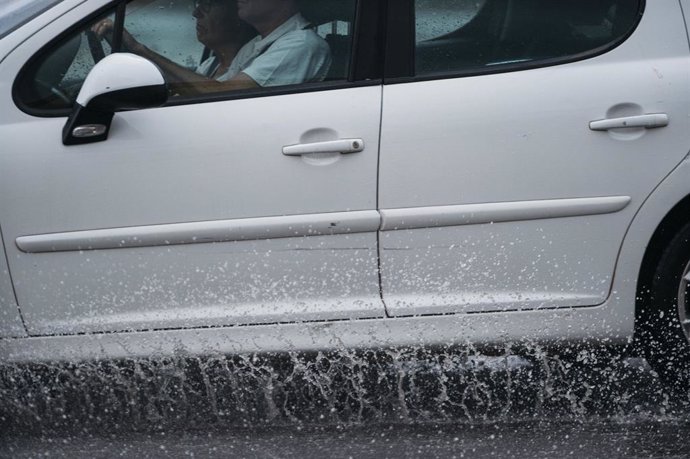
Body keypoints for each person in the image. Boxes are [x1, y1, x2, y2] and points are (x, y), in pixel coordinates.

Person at [91, 0, 255, 89]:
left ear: (238, 14)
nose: (196, 13)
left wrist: (139, 49)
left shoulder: (254, 60)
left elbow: (222, 95)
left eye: (207, 5)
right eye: (198, 5)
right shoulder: (209, 66)